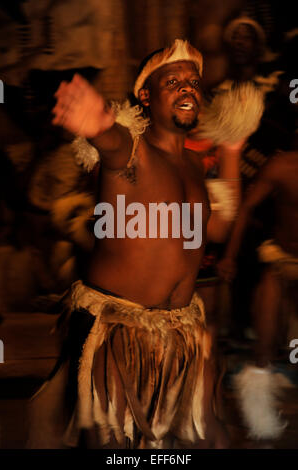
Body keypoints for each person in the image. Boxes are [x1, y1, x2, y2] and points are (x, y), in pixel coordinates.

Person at [27, 39, 243, 449]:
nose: (187, 88)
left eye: (194, 82)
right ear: (145, 95)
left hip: (184, 334)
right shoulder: (133, 150)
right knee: (113, 447)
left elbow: (219, 228)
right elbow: (110, 142)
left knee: (211, 438)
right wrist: (96, 125)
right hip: (118, 333)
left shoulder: (195, 165)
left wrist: (231, 148)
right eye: (173, 81)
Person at [217, 149, 298, 440]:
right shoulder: (282, 165)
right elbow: (246, 207)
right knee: (263, 345)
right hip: (280, 260)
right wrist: (229, 256)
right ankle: (261, 426)